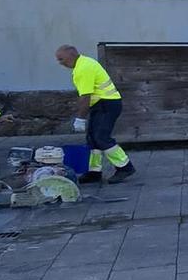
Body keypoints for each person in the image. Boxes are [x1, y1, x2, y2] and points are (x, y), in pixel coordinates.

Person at [55, 44, 135, 182]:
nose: (60, 63)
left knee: (101, 138)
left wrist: (80, 119)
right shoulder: (85, 63)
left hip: (106, 104)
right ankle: (94, 172)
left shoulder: (83, 69)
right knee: (92, 139)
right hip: (104, 104)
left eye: (61, 59)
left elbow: (86, 96)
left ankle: (125, 167)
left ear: (71, 55)